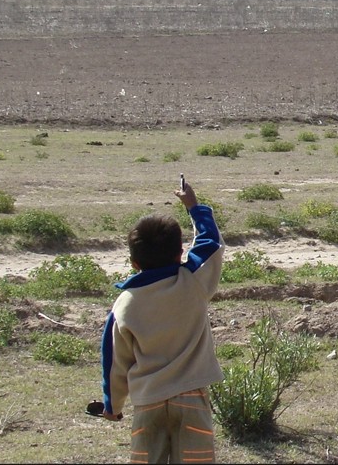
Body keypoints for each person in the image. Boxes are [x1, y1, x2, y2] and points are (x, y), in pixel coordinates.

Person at [100, 179, 225, 464]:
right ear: (179, 253)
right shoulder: (191, 281)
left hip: (148, 403)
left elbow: (115, 363)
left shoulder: (123, 307)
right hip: (192, 399)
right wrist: (194, 207)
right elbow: (210, 244)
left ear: (133, 262)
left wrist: (113, 406)